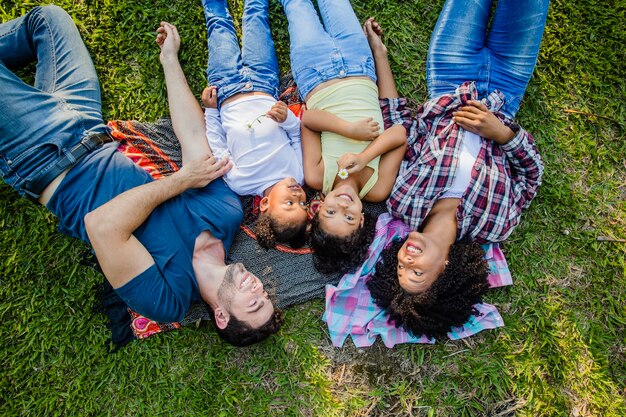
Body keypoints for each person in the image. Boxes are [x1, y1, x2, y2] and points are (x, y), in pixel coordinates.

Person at [0, 5, 281, 347]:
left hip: (43, 157)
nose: (258, 287)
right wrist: (170, 60)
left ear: (221, 316)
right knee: (47, 20)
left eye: (254, 302)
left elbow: (102, 226)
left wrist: (181, 181)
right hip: (87, 123)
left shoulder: (167, 300)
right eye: (265, 294)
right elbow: (192, 135)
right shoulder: (226, 215)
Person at [364, 0, 548, 338]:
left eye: (400, 267)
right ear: (444, 271)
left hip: (450, 72)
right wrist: (501, 133)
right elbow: (531, 175)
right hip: (508, 84)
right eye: (416, 273)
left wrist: (380, 54)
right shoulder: (495, 225)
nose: (408, 260)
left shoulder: (402, 199)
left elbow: (400, 122)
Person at [277, 0, 407, 274]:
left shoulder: (317, 176)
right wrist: (365, 156)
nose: (342, 205)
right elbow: (399, 134)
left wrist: (349, 131)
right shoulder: (377, 188)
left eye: (331, 212)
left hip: (315, 73)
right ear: (361, 220)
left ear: (318, 207)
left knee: (296, 6)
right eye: (348, 217)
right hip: (361, 65)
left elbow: (309, 121)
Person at [200, 0, 307, 249]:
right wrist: (287, 118)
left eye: (289, 203)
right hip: (263, 81)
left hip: (226, 90)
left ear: (266, 205)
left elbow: (218, 145)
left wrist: (211, 110)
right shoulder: (297, 175)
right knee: (256, 17)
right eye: (302, 204)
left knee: (218, 26)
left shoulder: (241, 183)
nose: (298, 196)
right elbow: (297, 136)